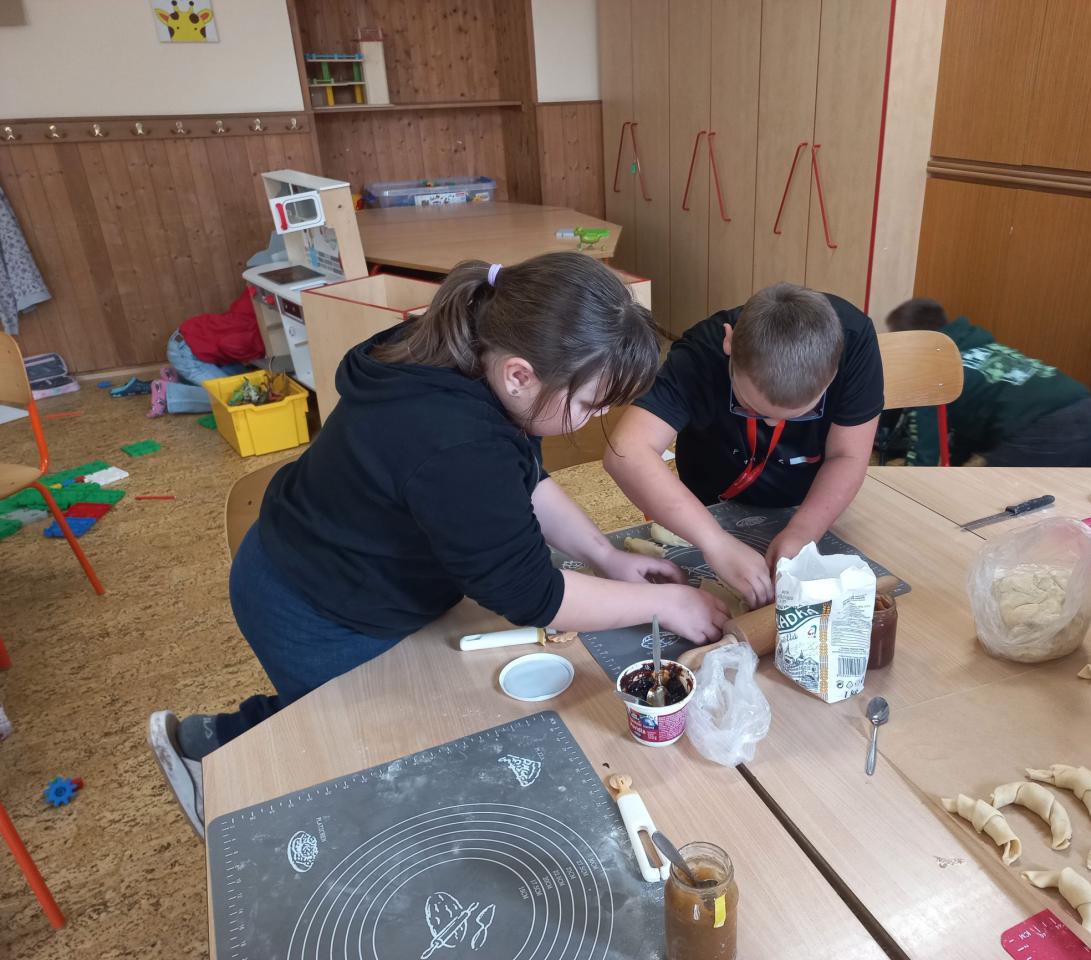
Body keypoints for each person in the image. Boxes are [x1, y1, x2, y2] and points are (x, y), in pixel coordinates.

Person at [149, 253, 729, 839]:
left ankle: (205, 739)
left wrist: (606, 556)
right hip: (316, 606)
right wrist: (666, 605)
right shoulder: (456, 439)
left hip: (324, 564)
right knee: (354, 743)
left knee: (349, 712)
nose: (595, 417)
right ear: (520, 375)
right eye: (589, 404)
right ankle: (211, 763)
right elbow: (533, 594)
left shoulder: (474, 342)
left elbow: (521, 479)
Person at [604, 282, 884, 609]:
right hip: (706, 505)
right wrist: (715, 542)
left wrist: (803, 531)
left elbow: (847, 455)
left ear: (834, 373)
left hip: (808, 501)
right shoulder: (700, 354)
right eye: (751, 408)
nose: (772, 425)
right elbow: (626, 451)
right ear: (729, 343)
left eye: (799, 414)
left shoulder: (854, 342)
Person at [884, 298, 1091, 468]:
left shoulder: (929, 371)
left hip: (1041, 429)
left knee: (987, 504)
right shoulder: (981, 347)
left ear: (910, 342)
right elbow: (971, 427)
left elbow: (924, 457)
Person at [148, 287, 263, 417]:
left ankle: (178, 377)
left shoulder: (256, 293)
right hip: (188, 352)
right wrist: (259, 351)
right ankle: (167, 392)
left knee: (248, 384)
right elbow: (229, 344)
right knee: (235, 397)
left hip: (190, 341)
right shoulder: (252, 332)